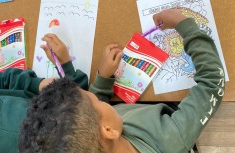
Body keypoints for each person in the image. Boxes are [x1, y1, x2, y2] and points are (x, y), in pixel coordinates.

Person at [18, 9, 226, 153]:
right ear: (108, 131)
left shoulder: (98, 137)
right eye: (98, 101)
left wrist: (103, 78)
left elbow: (90, 116)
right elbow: (212, 81)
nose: (99, 99)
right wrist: (185, 25)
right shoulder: (171, 139)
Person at [0, 34, 89, 152]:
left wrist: (35, 84)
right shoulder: (11, 136)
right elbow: (85, 112)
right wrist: (66, 68)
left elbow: (1, 81)